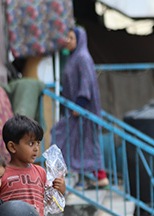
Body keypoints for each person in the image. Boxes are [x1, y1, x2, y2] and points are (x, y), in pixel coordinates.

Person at [52, 27, 108, 188]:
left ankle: (64, 171)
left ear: (79, 40)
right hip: (75, 110)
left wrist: (80, 104)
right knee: (81, 143)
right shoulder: (73, 58)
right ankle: (94, 176)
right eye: (67, 37)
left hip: (83, 110)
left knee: (65, 135)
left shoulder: (83, 58)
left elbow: (86, 82)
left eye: (71, 38)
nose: (67, 41)